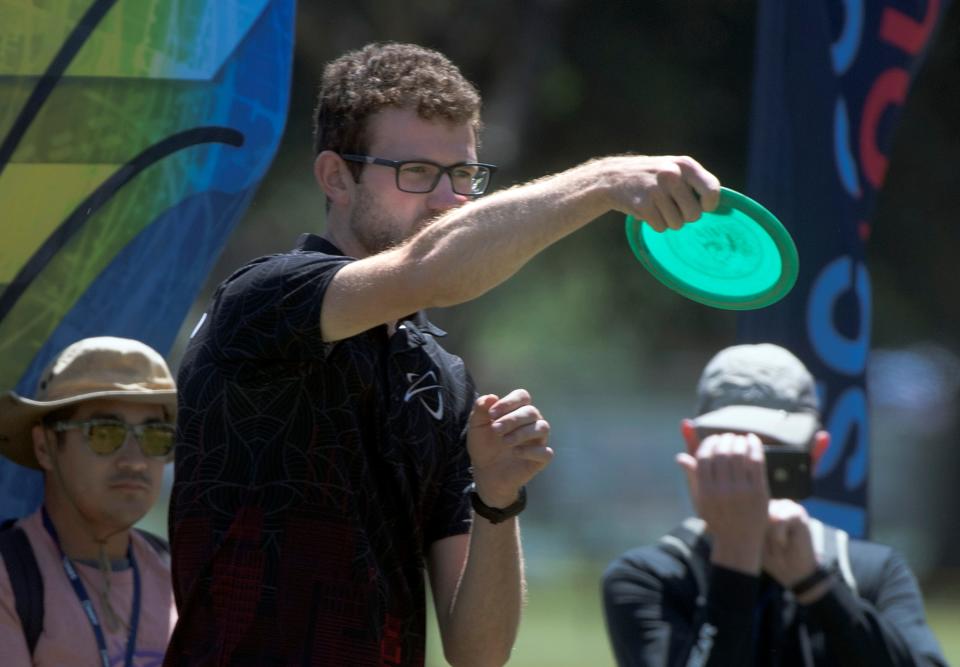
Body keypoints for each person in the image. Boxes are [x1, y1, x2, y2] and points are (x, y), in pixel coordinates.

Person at [165, 41, 722, 667]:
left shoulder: (441, 377)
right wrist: (603, 183)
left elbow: (477, 652)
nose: (447, 199)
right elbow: (431, 269)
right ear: (335, 177)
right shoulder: (268, 299)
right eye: (417, 173)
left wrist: (498, 496)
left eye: (462, 175)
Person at [602, 343, 948, 666]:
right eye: (732, 453)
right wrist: (737, 555)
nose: (752, 474)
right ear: (693, 444)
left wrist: (817, 587)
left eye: (774, 454)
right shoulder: (651, 578)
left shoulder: (867, 572)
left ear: (816, 452)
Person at [0, 336, 178, 666]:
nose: (135, 461)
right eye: (105, 432)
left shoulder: (183, 578)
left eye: (156, 436)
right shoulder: (9, 579)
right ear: (45, 446)